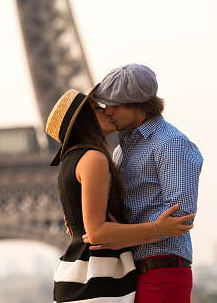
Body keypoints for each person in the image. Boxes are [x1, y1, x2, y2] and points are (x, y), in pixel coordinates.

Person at [45, 84, 195, 303]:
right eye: (97, 107)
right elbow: (96, 233)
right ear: (83, 120)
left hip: (77, 275)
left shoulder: (71, 160)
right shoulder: (94, 158)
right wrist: (156, 228)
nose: (106, 110)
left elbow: (87, 225)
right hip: (97, 276)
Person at [88, 64, 204, 303]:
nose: (106, 110)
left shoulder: (171, 144)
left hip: (163, 271)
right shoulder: (121, 150)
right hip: (133, 272)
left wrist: (121, 239)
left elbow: (181, 216)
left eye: (115, 105)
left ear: (140, 107)